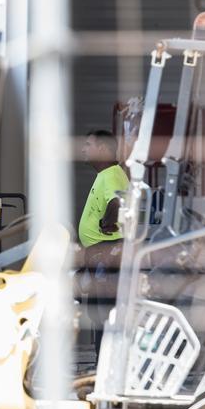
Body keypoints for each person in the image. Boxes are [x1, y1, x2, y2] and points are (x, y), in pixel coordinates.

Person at [77, 130, 130, 352]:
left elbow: (117, 201)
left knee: (104, 315)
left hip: (106, 255)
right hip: (100, 255)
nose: (83, 149)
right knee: (97, 314)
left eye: (88, 144)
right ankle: (102, 366)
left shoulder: (111, 174)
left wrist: (109, 221)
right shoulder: (107, 175)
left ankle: (104, 367)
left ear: (103, 149)